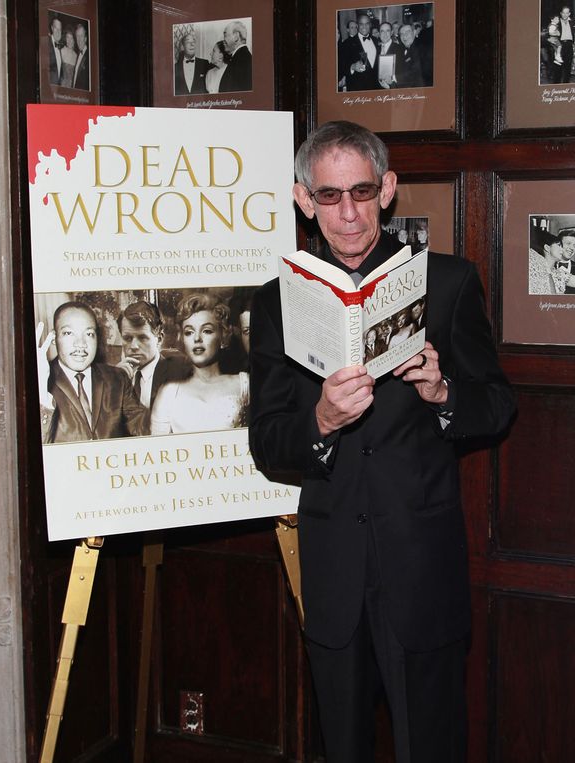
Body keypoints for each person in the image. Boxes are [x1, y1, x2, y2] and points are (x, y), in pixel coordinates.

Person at [249, 120, 515, 763]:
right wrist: (323, 421)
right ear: (303, 200)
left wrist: (442, 392)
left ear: (388, 189)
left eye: (362, 193)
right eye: (329, 196)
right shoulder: (278, 303)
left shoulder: (448, 283)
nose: (347, 215)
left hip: (422, 572)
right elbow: (268, 442)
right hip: (335, 573)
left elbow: (497, 405)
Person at [37, 302, 149, 443]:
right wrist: (41, 395)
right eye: (68, 333)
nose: (81, 344)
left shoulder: (117, 379)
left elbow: (143, 428)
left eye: (89, 334)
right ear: (54, 338)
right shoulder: (41, 380)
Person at [151, 293, 249, 434]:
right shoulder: (169, 394)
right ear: (182, 339)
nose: (197, 338)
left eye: (207, 331)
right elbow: (159, 449)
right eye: (189, 332)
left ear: (223, 337)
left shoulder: (244, 384)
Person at [116, 300, 184, 410]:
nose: (134, 346)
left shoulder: (178, 377)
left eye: (142, 338)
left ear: (159, 338)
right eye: (127, 338)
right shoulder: (115, 378)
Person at [343, 14, 381, 91]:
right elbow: (341, 66)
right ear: (357, 25)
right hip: (358, 88)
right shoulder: (347, 43)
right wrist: (352, 67)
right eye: (361, 24)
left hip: (376, 87)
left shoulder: (376, 41)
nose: (364, 26)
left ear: (370, 25)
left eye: (367, 23)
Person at [528, 229, 568, 295]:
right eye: (559, 245)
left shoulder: (560, 274)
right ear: (547, 247)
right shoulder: (535, 269)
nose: (563, 250)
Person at [219, 20, 252, 93]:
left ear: (236, 37)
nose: (223, 40)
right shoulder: (242, 57)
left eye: (225, 35)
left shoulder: (242, 60)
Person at [395, 23, 425, 88]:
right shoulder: (404, 49)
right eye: (402, 34)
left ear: (414, 32)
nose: (404, 36)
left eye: (407, 32)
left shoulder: (419, 47)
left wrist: (394, 78)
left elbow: (415, 72)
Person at [551, 6, 575, 83]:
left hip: (569, 45)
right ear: (561, 13)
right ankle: (556, 86)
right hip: (560, 45)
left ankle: (565, 85)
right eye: (563, 13)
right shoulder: (557, 22)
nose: (565, 15)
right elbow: (550, 33)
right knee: (558, 67)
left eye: (567, 13)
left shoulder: (572, 22)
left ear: (569, 14)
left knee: (568, 68)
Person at [555, 227, 575, 294]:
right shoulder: (548, 265)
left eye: (574, 245)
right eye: (568, 243)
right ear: (559, 245)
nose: (572, 248)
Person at [72, 24, 89, 90]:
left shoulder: (89, 57)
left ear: (85, 38)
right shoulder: (77, 54)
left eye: (81, 36)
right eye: (77, 36)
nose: (79, 39)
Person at [48, 16, 62, 85]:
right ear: (52, 28)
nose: (58, 32)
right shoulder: (46, 42)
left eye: (60, 29)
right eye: (56, 28)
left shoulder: (61, 47)